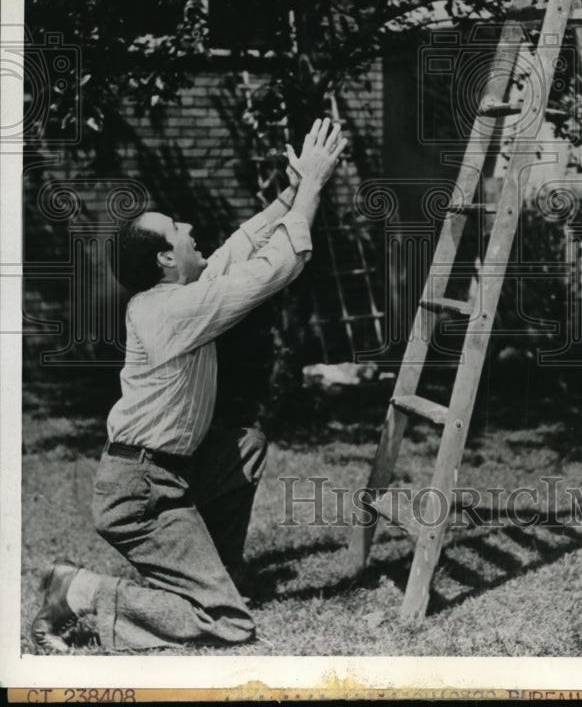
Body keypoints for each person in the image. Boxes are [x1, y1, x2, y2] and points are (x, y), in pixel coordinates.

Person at [31, 118, 347, 652]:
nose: (190, 226)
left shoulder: (177, 294)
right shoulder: (172, 310)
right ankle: (78, 590)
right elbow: (276, 265)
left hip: (174, 469)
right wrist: (313, 188)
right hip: (139, 493)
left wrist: (291, 193)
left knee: (245, 445)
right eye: (178, 227)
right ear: (165, 259)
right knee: (230, 625)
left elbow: (238, 249)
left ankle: (211, 578)